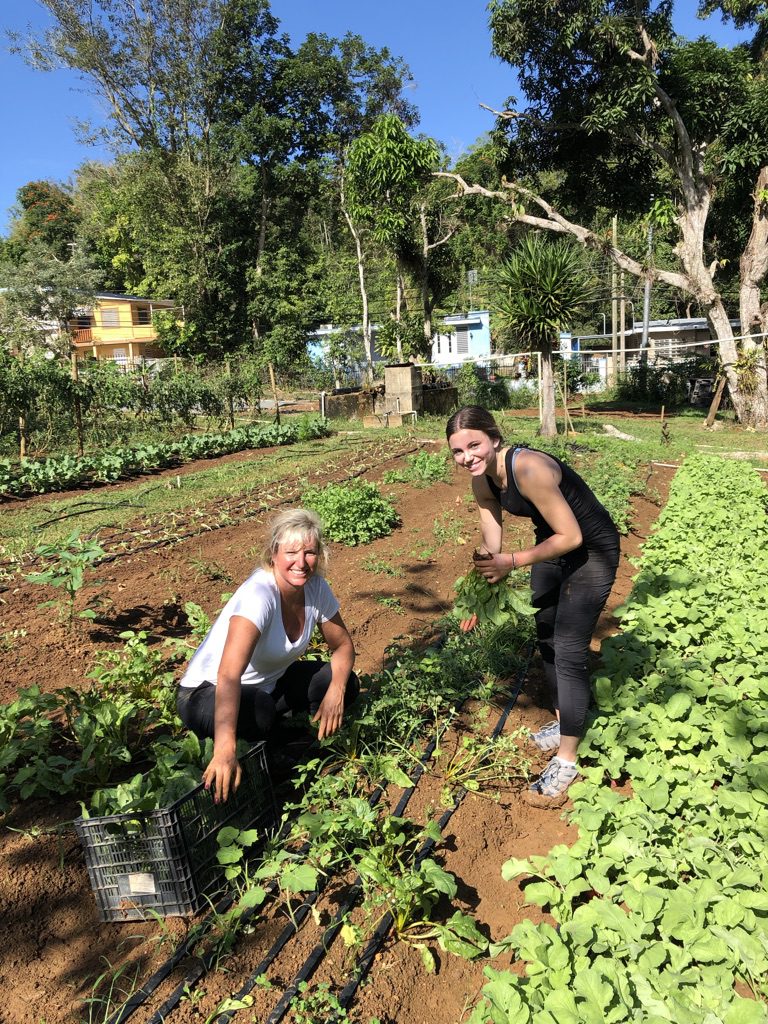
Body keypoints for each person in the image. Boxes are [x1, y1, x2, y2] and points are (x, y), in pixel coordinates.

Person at [446, 406, 620, 808]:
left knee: (569, 648)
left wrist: (512, 562)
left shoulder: (528, 469)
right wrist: (478, 595)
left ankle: (568, 759)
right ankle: (564, 723)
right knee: (546, 637)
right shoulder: (482, 479)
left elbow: (572, 536)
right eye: (457, 451)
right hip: (552, 547)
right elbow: (492, 541)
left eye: (474, 445)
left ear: (494, 439)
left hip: (591, 551)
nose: (467, 456)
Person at [177, 508, 358, 803]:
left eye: (309, 553)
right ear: (273, 554)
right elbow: (228, 675)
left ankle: (285, 738)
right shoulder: (259, 596)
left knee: (342, 681)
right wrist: (224, 749)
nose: (301, 562)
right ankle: (266, 753)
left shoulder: (315, 588)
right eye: (291, 552)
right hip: (205, 694)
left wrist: (335, 693)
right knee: (260, 710)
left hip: (268, 685)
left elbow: (343, 647)